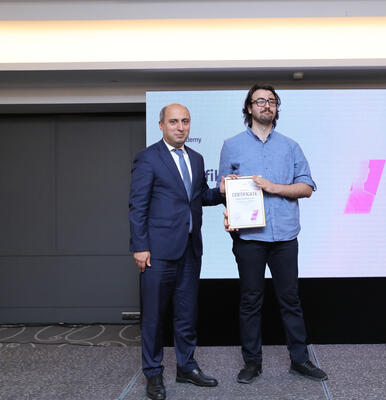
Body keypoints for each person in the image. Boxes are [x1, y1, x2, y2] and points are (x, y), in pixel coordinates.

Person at [218, 84, 328, 384]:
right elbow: (223, 189)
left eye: (272, 101)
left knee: (290, 300)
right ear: (249, 107)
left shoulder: (291, 147)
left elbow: (307, 187)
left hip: (284, 238)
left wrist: (274, 187)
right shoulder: (232, 145)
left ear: (276, 107)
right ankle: (252, 362)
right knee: (250, 301)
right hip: (249, 238)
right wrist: (227, 193)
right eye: (260, 101)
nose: (267, 105)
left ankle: (300, 361)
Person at [129, 103, 225, 400]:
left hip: (190, 250)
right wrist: (140, 247)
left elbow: (199, 197)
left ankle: (186, 367)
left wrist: (223, 192)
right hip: (157, 253)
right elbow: (137, 206)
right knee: (154, 317)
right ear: (161, 125)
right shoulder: (148, 158)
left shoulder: (196, 158)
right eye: (174, 122)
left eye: (185, 121)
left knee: (186, 314)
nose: (180, 127)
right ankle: (153, 373)